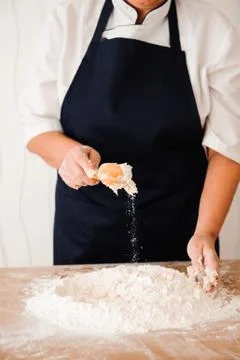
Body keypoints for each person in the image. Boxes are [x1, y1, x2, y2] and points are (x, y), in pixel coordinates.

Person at [19, 0, 240, 273]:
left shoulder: (213, 31)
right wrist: (70, 155)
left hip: (181, 233)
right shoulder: (71, 19)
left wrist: (207, 232)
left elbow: (229, 146)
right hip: (85, 230)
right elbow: (36, 124)